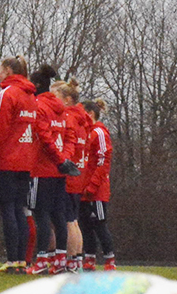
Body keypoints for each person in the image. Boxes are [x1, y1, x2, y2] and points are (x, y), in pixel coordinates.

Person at [0, 56, 53, 274]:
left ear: (8, 70)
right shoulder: (30, 96)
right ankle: (21, 261)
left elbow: (0, 129)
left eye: (0, 69)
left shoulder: (8, 94)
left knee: (7, 209)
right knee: (20, 210)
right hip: (26, 161)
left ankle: (11, 260)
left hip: (8, 160)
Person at [26, 65, 82, 274]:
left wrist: (58, 159)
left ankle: (41, 260)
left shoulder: (39, 106)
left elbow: (44, 137)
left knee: (40, 214)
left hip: (41, 169)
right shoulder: (63, 111)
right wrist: (65, 159)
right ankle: (60, 260)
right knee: (59, 215)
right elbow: (70, 138)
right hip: (60, 170)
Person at [57, 79, 92, 272]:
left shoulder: (69, 117)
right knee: (74, 220)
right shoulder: (83, 120)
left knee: (68, 220)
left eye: (58, 97)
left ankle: (70, 260)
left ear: (68, 99)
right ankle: (76, 260)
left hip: (69, 176)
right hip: (79, 174)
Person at [81, 99, 116, 269]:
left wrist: (93, 186)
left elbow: (104, 161)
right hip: (83, 189)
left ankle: (109, 259)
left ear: (90, 114)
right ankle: (89, 258)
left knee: (99, 224)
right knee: (85, 225)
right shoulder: (86, 133)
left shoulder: (99, 133)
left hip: (96, 190)